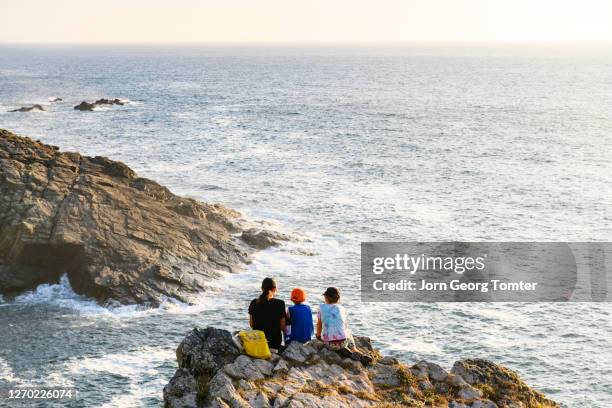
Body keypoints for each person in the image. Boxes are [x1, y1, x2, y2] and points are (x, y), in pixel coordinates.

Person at [316, 287, 372, 365]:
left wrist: (318, 336)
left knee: (336, 342)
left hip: (330, 344)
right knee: (348, 332)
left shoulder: (321, 307)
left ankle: (347, 352)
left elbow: (319, 324)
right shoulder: (342, 308)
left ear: (326, 297)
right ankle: (354, 349)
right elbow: (345, 326)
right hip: (343, 341)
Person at [248, 277, 286, 351]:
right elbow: (282, 327)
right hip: (274, 345)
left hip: (258, 343)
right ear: (275, 289)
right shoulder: (280, 303)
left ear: (262, 289)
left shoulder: (254, 302)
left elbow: (251, 324)